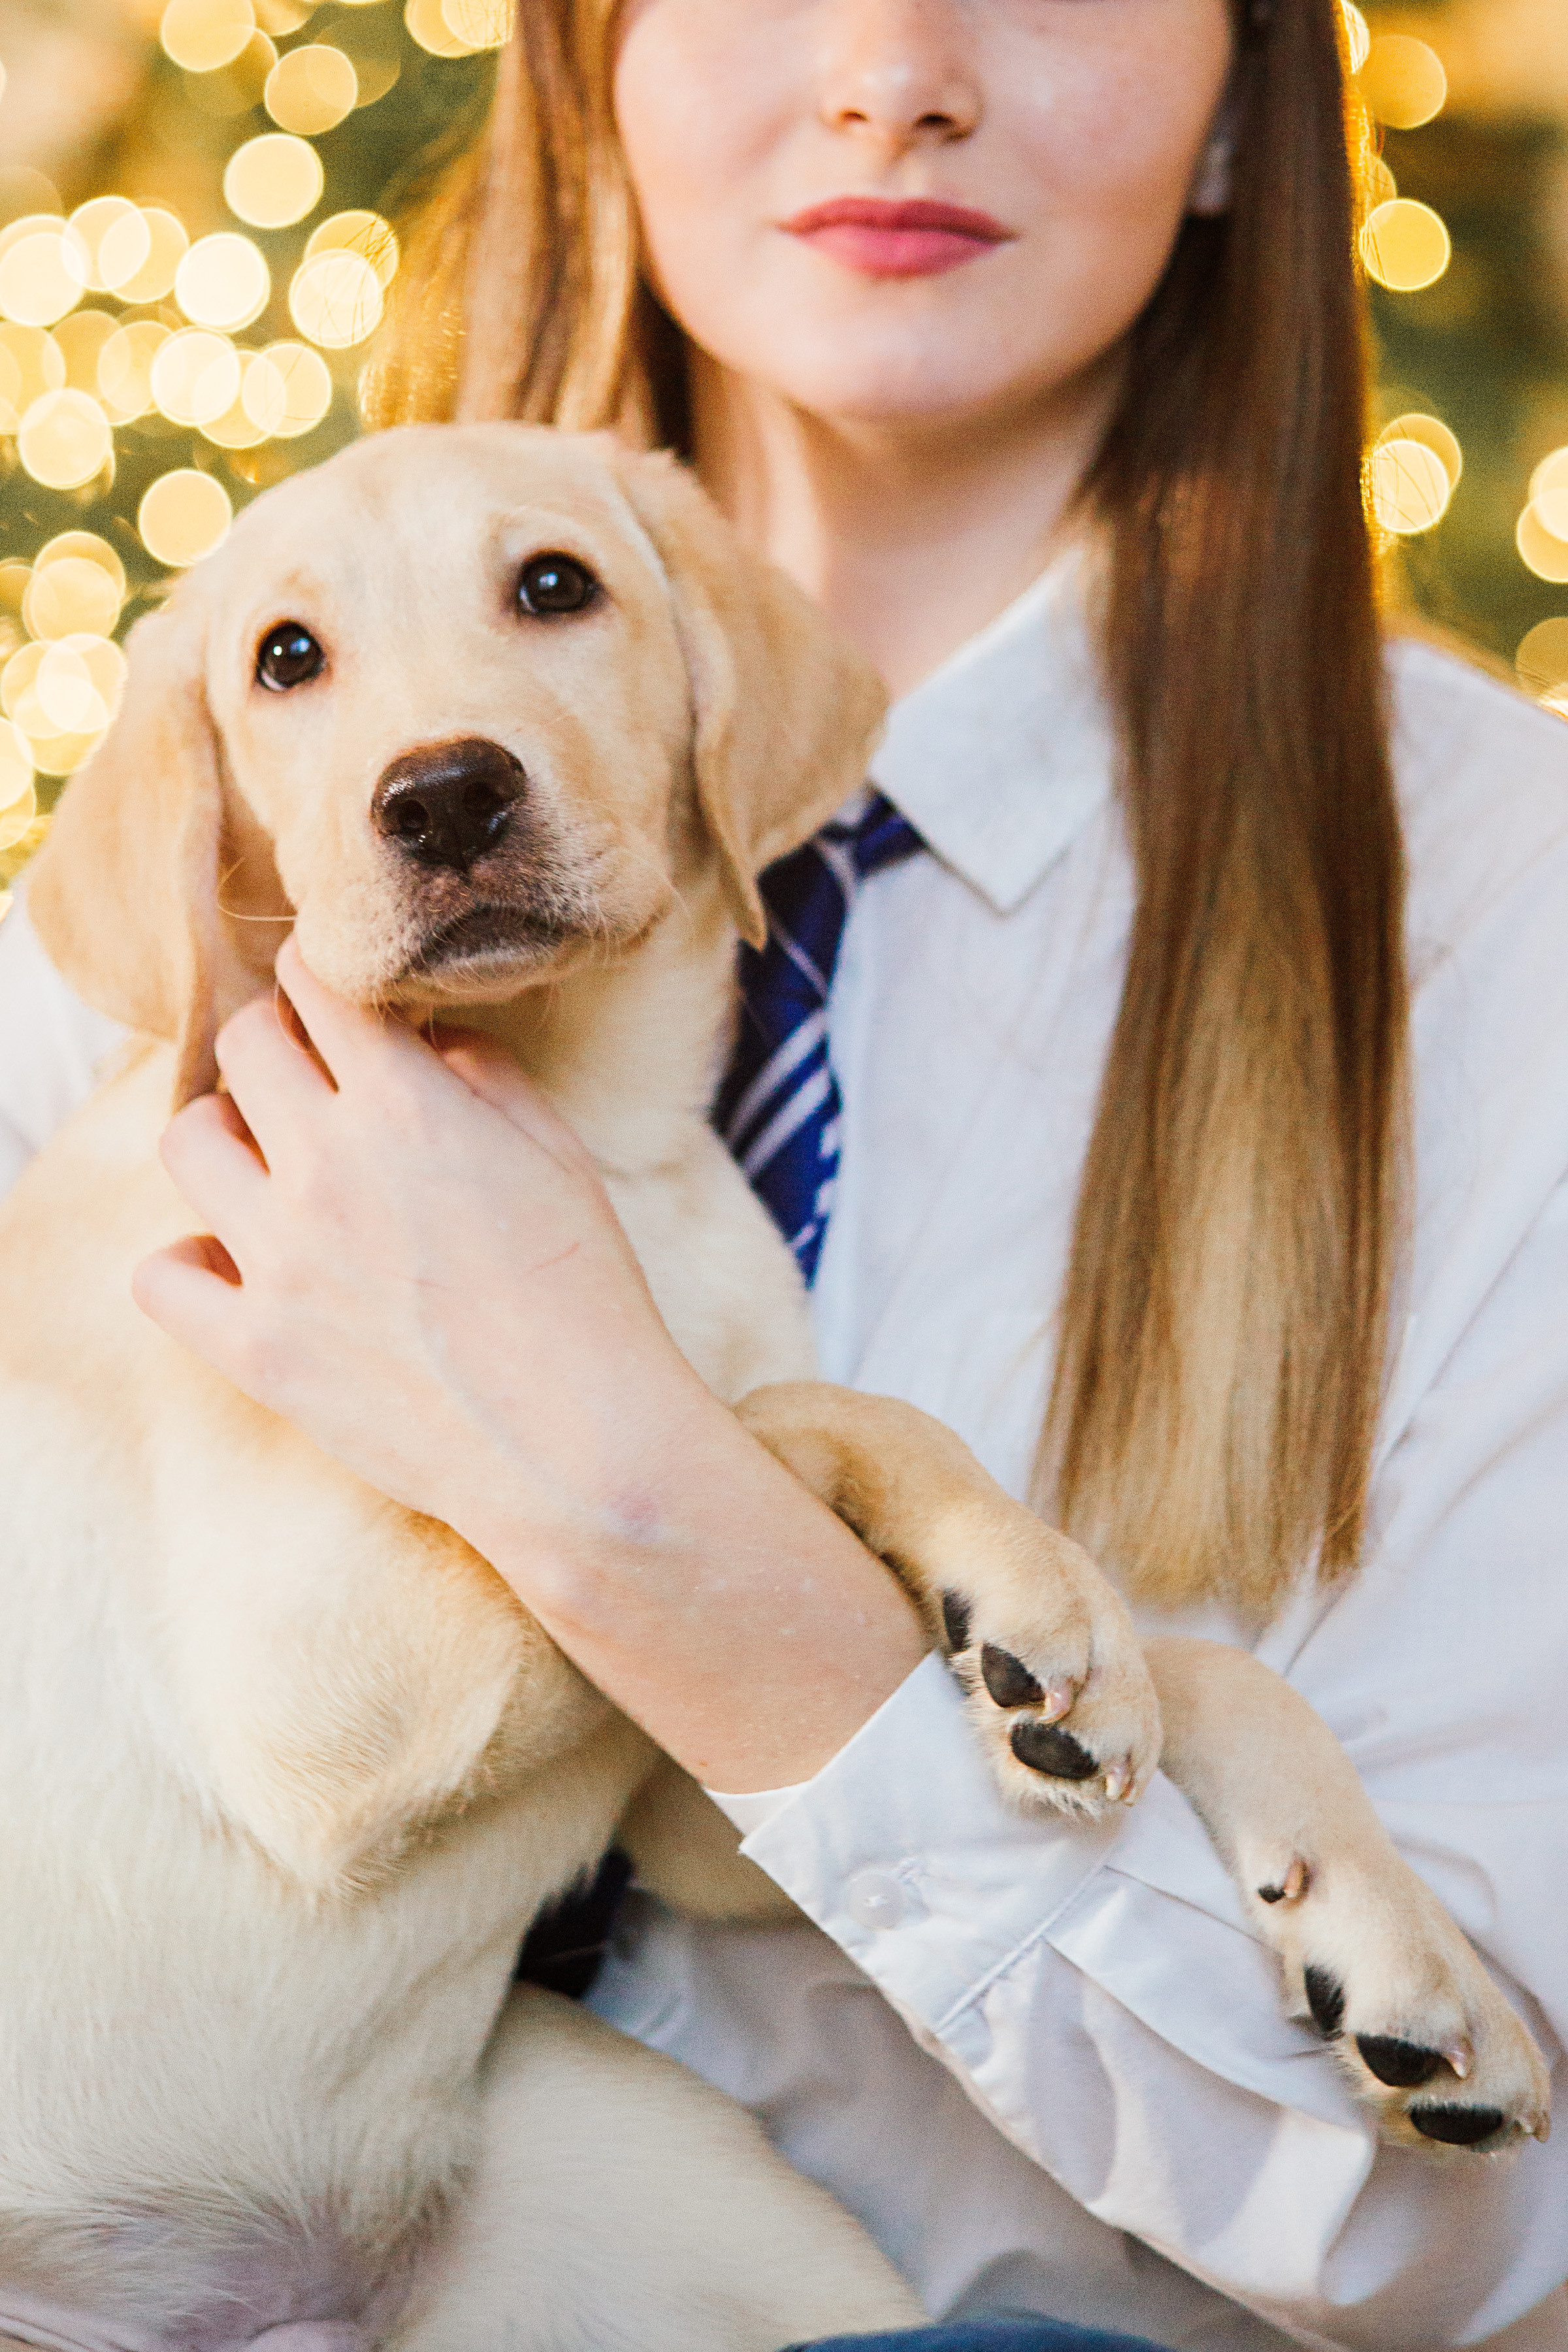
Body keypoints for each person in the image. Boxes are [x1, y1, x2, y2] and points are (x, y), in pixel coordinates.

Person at [3, 0, 1567, 2343]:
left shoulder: (1509, 916)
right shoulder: (217, 882)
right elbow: (321, 1756)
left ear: (1258, 92)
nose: (891, 66)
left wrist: (650, 1484)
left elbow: (1490, 2251)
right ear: (591, 71)